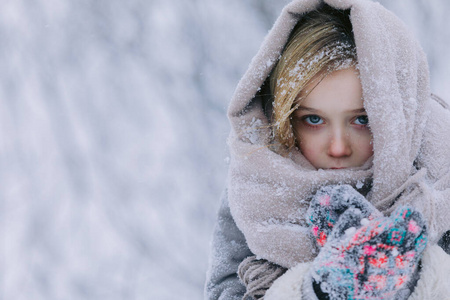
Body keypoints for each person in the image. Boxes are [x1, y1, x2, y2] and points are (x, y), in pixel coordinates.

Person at [205, 0, 450, 299]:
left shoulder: (442, 177)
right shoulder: (258, 189)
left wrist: (420, 279)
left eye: (362, 119)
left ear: (397, 116)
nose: (337, 147)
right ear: (283, 118)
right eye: (313, 119)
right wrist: (306, 292)